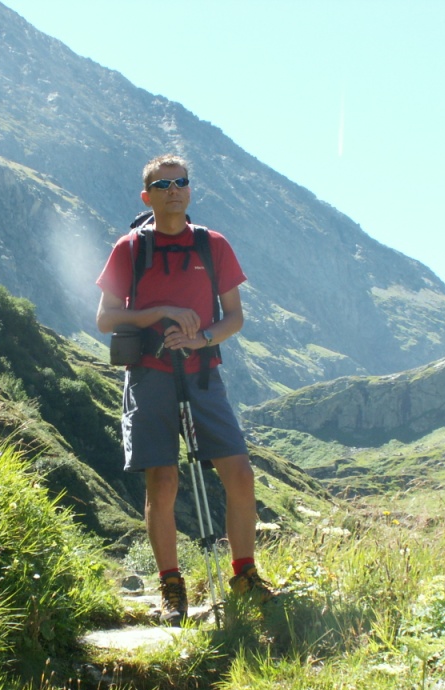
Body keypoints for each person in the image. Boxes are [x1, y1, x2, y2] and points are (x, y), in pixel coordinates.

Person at [95, 153, 273, 626]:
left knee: (239, 473)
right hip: (148, 374)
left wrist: (201, 338)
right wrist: (160, 313)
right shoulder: (129, 249)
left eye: (181, 182)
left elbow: (234, 318)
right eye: (162, 185)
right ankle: (171, 586)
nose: (173, 190)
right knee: (163, 480)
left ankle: (245, 574)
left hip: (202, 373)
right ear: (146, 196)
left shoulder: (213, 245)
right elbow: (105, 318)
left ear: (190, 190)